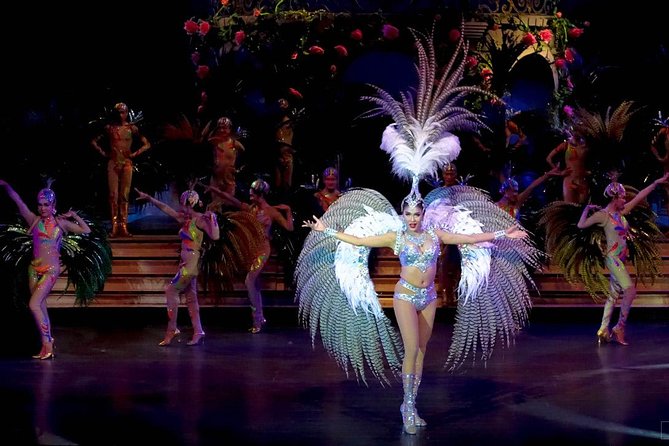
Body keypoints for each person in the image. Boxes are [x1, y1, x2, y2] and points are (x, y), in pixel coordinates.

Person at [303, 198, 527, 434]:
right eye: (408, 214)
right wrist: (325, 230)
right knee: (411, 349)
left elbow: (470, 238)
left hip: (429, 297)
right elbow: (359, 241)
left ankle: (411, 403)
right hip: (405, 296)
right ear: (403, 214)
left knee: (421, 350)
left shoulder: (435, 235)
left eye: (416, 214)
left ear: (423, 215)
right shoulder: (396, 237)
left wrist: (503, 233)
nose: (412, 219)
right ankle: (407, 407)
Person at [0, 180, 91, 359]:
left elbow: (86, 230)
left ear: (53, 205)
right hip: (33, 270)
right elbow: (18, 201)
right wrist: (6, 185)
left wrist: (74, 215)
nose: (42, 208)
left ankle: (47, 343)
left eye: (46, 205)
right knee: (41, 306)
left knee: (33, 304)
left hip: (50, 270)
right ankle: (48, 343)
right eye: (40, 204)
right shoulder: (33, 220)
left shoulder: (61, 224)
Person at [576, 172, 669, 346]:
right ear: (614, 199)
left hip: (621, 259)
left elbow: (640, 196)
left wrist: (655, 183)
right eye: (622, 198)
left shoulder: (622, 213)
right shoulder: (603, 215)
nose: (625, 201)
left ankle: (603, 329)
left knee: (613, 295)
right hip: (613, 259)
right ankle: (619, 327)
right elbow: (581, 225)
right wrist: (586, 210)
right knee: (630, 291)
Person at [206, 179, 293, 333]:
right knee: (255, 284)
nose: (250, 197)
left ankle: (256, 320)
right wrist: (215, 190)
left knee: (249, 280)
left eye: (253, 195)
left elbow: (289, 227)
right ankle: (260, 316)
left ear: (260, 195)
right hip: (250, 248)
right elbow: (232, 199)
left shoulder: (271, 211)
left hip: (262, 250)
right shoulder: (250, 209)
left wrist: (288, 211)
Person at [135, 187, 220, 346]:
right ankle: (198, 331)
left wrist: (213, 218)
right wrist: (149, 198)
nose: (181, 207)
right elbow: (166, 208)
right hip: (185, 261)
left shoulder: (200, 220)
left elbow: (215, 236)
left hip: (192, 263)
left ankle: (172, 329)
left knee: (171, 290)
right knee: (191, 298)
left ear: (190, 204)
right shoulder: (185, 219)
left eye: (183, 204)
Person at [91, 102, 151, 238]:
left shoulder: (132, 128)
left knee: (124, 195)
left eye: (123, 112)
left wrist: (134, 154)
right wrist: (104, 153)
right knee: (113, 195)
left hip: (126, 163)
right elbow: (94, 142)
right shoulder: (109, 128)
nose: (120, 115)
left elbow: (147, 144)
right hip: (113, 163)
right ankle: (114, 227)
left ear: (127, 113)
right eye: (118, 112)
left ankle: (123, 226)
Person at [496, 165, 566, 220]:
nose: (516, 194)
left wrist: (548, 175)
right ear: (506, 191)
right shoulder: (495, 206)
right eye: (514, 191)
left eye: (516, 191)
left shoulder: (517, 201)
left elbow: (532, 187)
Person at [546, 131, 589, 204]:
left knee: (583, 207)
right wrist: (559, 172)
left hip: (582, 181)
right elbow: (549, 158)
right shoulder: (566, 145)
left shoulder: (586, 146)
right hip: (569, 182)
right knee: (570, 207)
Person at [208, 116, 245, 203]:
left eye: (224, 128)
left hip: (229, 180)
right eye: (220, 128)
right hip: (216, 180)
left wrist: (239, 170)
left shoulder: (235, 144)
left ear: (230, 129)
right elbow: (208, 140)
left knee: (228, 204)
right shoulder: (214, 142)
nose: (221, 130)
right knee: (215, 205)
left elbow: (247, 158)